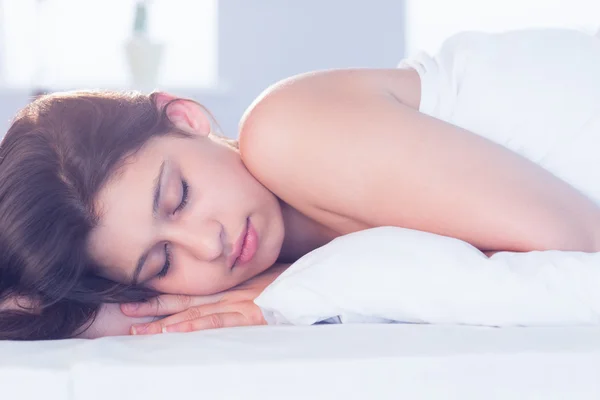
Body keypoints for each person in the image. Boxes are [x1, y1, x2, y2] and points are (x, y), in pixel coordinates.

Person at [2, 27, 600, 340]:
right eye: (161, 264)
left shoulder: (286, 132)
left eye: (177, 196)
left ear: (185, 118)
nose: (205, 243)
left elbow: (572, 242)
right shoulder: (284, 250)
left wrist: (289, 288)